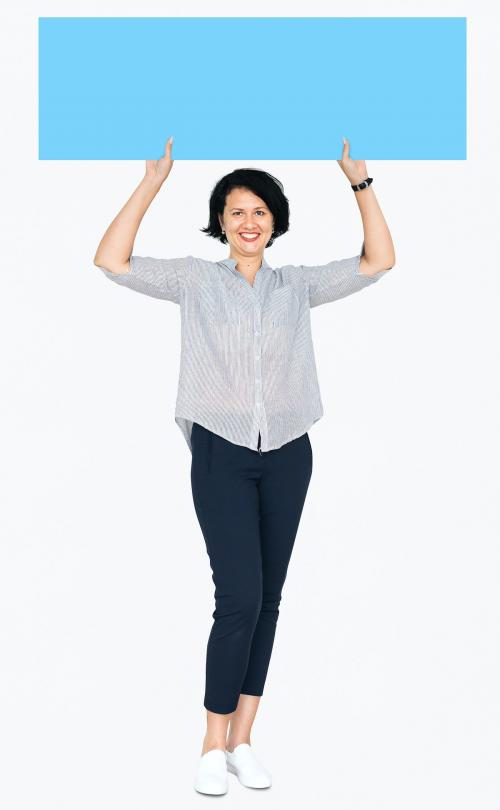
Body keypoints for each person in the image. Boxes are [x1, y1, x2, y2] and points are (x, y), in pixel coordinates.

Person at [93, 135, 396, 795]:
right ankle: (210, 742)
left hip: (289, 452)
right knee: (237, 598)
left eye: (260, 210)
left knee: (269, 601)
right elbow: (110, 259)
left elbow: (380, 260)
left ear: (275, 222)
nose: (249, 221)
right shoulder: (196, 280)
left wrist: (360, 182)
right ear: (221, 222)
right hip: (222, 450)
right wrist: (152, 182)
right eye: (235, 211)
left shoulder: (298, 286)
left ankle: (243, 741)